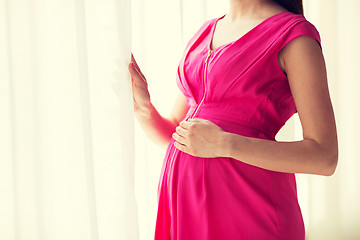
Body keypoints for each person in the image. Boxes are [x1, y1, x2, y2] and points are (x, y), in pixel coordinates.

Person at [128, 0, 338, 239]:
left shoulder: (294, 35)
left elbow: (324, 156)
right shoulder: (204, 32)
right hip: (186, 210)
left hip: (251, 212)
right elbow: (177, 134)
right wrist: (143, 108)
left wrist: (224, 144)